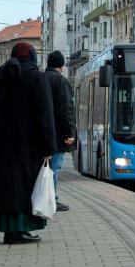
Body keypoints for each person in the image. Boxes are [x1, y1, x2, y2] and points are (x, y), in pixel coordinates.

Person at [0, 42, 56, 244]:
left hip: (1, 143)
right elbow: (45, 114)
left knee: (7, 185)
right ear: (32, 56)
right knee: (25, 186)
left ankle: (9, 229)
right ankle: (20, 228)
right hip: (28, 144)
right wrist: (49, 145)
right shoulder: (36, 78)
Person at [45, 51, 76, 212]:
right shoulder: (61, 82)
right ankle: (52, 199)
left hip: (40, 132)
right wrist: (69, 132)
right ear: (61, 66)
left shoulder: (40, 79)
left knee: (43, 168)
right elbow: (66, 109)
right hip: (57, 133)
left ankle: (42, 196)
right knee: (54, 168)